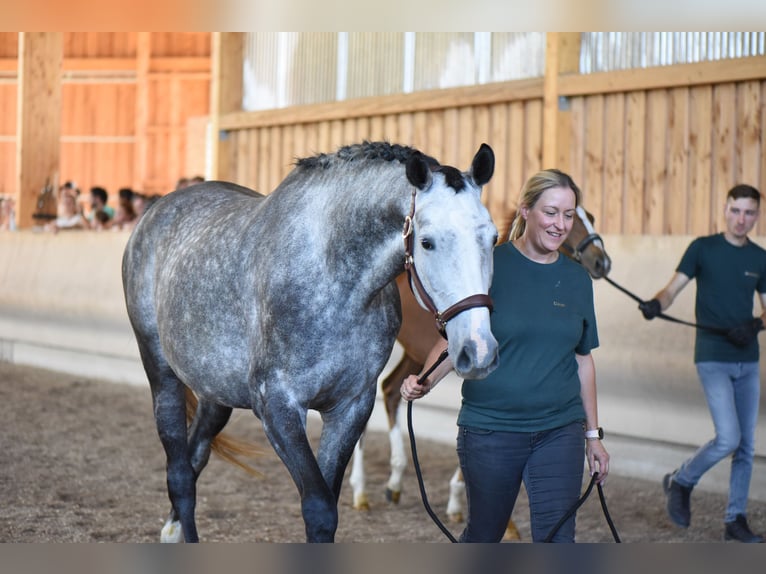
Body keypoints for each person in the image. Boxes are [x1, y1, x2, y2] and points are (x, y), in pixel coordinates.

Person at [401, 169, 610, 543]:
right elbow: (458, 335)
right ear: (525, 211)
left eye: (568, 214)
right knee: (485, 535)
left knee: (558, 541)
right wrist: (425, 381)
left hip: (559, 431)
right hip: (490, 430)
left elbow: (583, 360)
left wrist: (593, 436)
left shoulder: (577, 280)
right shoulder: (489, 264)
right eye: (551, 212)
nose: (560, 225)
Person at [638, 183, 766, 543]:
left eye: (749, 212)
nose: (741, 219)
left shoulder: (759, 258)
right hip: (712, 356)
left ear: (756, 216)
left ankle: (734, 520)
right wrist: (655, 305)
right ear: (725, 210)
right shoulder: (702, 249)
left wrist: (756, 323)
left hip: (748, 360)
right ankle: (682, 480)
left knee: (745, 447)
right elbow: (671, 289)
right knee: (728, 437)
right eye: (735, 210)